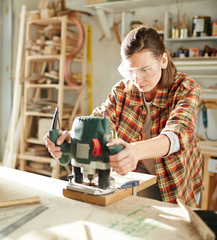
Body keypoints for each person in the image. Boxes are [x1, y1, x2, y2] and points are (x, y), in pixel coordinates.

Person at [44, 26, 203, 207]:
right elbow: (98, 121)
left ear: (163, 61)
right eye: (131, 71)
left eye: (145, 70)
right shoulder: (122, 90)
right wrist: (72, 137)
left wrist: (133, 151)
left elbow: (176, 136)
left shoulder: (186, 88)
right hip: (139, 177)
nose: (138, 80)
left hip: (176, 181)